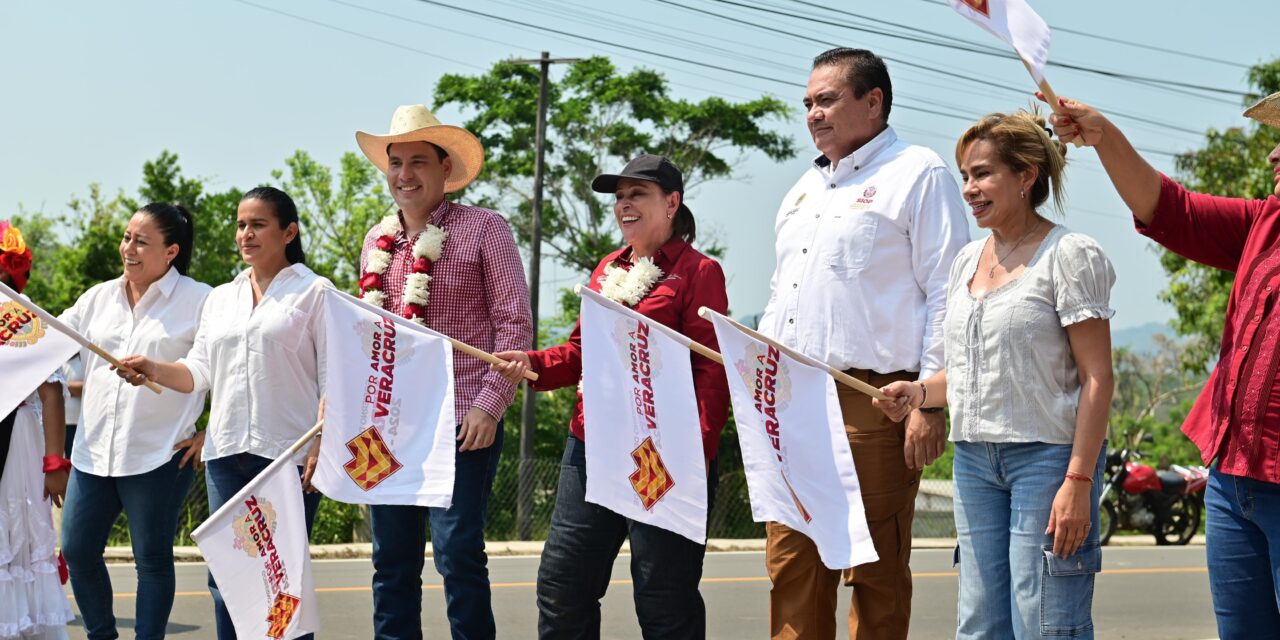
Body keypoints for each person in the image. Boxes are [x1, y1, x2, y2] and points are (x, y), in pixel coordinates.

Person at [1044, 89, 1280, 637]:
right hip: (1229, 481)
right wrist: (1102, 134)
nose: (1272, 155)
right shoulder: (1264, 223)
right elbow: (1171, 210)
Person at [875, 111, 1115, 638]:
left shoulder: (1069, 255)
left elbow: (1098, 379)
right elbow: (962, 375)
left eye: (982, 174)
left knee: (1046, 620)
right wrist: (917, 392)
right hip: (975, 462)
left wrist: (1078, 480)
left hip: (1047, 459)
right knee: (980, 623)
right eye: (965, 176)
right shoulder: (966, 260)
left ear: (1027, 175)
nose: (969, 189)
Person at [757, 48, 969, 639]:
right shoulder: (802, 190)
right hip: (792, 402)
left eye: (826, 100)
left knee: (873, 567)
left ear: (873, 102)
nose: (812, 114)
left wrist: (929, 402)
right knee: (793, 563)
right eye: (807, 103)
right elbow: (782, 298)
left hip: (875, 399)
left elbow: (949, 294)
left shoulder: (918, 173)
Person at [492, 154, 731, 638]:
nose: (624, 205)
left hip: (664, 454)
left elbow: (711, 371)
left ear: (671, 202)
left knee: (664, 596)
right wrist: (531, 364)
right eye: (619, 197)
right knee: (563, 586)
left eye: (636, 194)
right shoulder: (606, 268)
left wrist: (693, 457)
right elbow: (582, 352)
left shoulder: (699, 271)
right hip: (593, 448)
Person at [118, 187, 330, 640]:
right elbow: (199, 371)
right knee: (227, 582)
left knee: (281, 585)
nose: (245, 234)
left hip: (287, 457)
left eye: (258, 224)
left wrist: (321, 442)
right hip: (225, 454)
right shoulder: (222, 298)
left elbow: (335, 378)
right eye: (240, 224)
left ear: (288, 231)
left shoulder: (316, 292)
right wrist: (152, 367)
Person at [353, 104, 532, 639]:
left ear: (446, 170)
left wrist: (489, 406)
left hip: (462, 420)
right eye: (395, 163)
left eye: (418, 162)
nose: (404, 175)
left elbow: (514, 328)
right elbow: (369, 338)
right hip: (393, 424)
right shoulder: (375, 242)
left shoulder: (485, 229)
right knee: (391, 562)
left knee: (456, 554)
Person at [57, 203, 211, 640]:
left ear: (171, 251)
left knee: (152, 560)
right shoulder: (98, 297)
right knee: (77, 550)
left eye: (141, 241)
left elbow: (223, 370)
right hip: (93, 452)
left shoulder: (200, 300)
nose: (129, 248)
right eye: (127, 237)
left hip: (160, 455)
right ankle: (101, 635)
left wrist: (209, 433)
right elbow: (53, 340)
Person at [0, 219, 74, 639]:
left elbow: (51, 393)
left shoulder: (19, 315)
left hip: (16, 445)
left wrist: (54, 461)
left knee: (15, 545)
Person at [60, 354, 83, 458]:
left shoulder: (84, 361)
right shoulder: (57, 363)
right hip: (60, 423)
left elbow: (89, 388)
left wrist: (63, 386)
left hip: (79, 423)